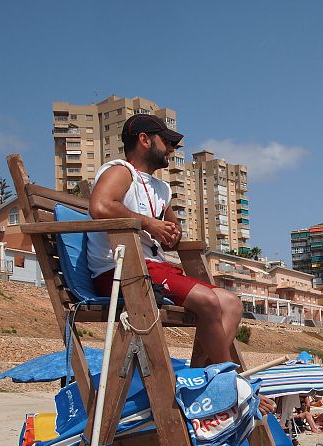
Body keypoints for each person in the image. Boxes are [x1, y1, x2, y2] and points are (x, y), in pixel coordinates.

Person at [88, 114, 242, 366]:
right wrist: (150, 223)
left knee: (232, 304)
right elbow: (100, 206)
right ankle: (225, 379)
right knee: (208, 301)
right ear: (144, 140)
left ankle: (205, 378)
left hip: (151, 268)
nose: (172, 148)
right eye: (167, 141)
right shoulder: (121, 171)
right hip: (120, 271)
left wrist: (172, 233)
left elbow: (171, 228)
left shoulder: (162, 189)